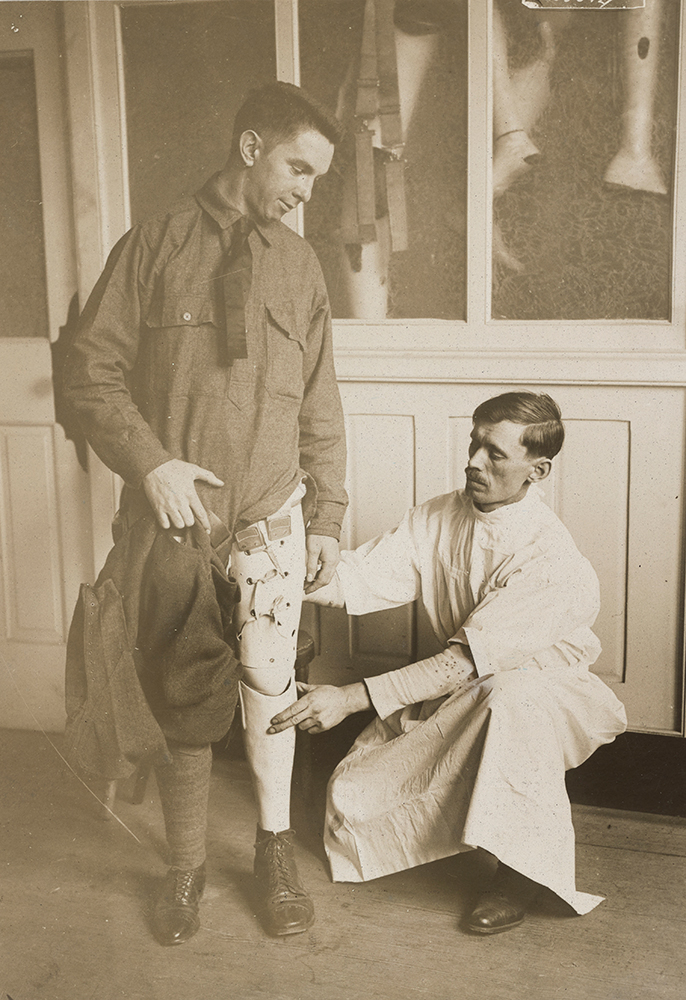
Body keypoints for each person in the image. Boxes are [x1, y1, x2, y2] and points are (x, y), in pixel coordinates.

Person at [64, 82, 348, 945]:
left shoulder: (299, 266)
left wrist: (328, 515)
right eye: (300, 167)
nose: (307, 191)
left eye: (319, 177)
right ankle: (184, 870)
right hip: (177, 527)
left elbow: (319, 402)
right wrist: (149, 465)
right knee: (184, 698)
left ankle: (272, 852)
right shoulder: (152, 247)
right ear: (253, 145)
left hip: (271, 521)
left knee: (272, 690)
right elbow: (87, 374)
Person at [270, 391, 627, 934]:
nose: (474, 461)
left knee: (511, 697)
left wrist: (346, 698)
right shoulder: (439, 515)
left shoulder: (551, 558)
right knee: (349, 806)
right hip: (462, 686)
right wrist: (272, 571)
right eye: (474, 443)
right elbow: (359, 578)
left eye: (495, 454)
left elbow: (461, 664)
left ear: (539, 469)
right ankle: (474, 829)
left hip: (542, 696)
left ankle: (518, 872)